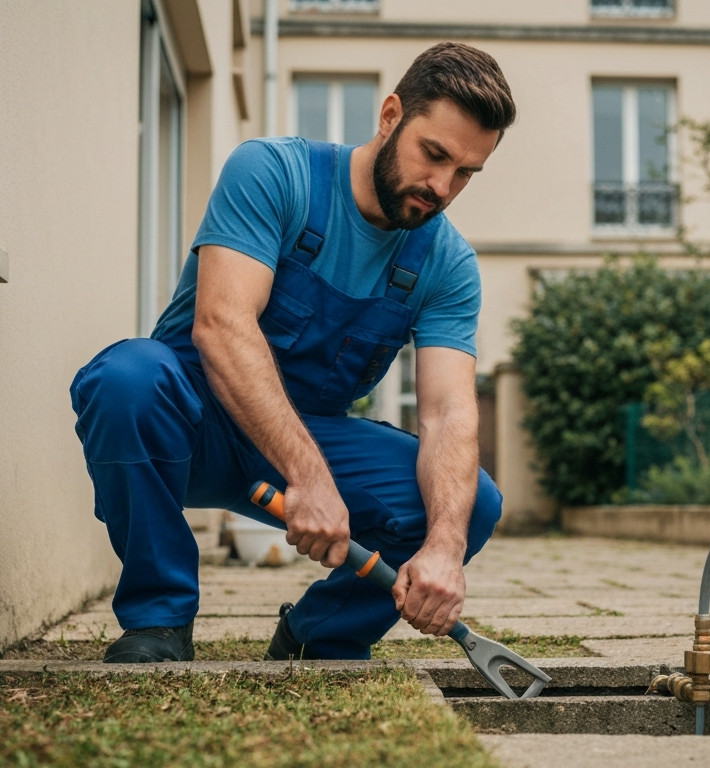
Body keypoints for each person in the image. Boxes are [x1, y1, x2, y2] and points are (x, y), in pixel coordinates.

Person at [69, 42, 517, 662]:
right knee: (125, 379)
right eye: (433, 154)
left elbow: (448, 413)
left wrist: (444, 544)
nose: (441, 186)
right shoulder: (273, 173)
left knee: (470, 504)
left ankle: (318, 634)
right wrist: (308, 477)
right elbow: (222, 326)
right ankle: (159, 621)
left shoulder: (446, 263)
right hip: (189, 423)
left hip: (308, 439)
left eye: (465, 173)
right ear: (390, 116)